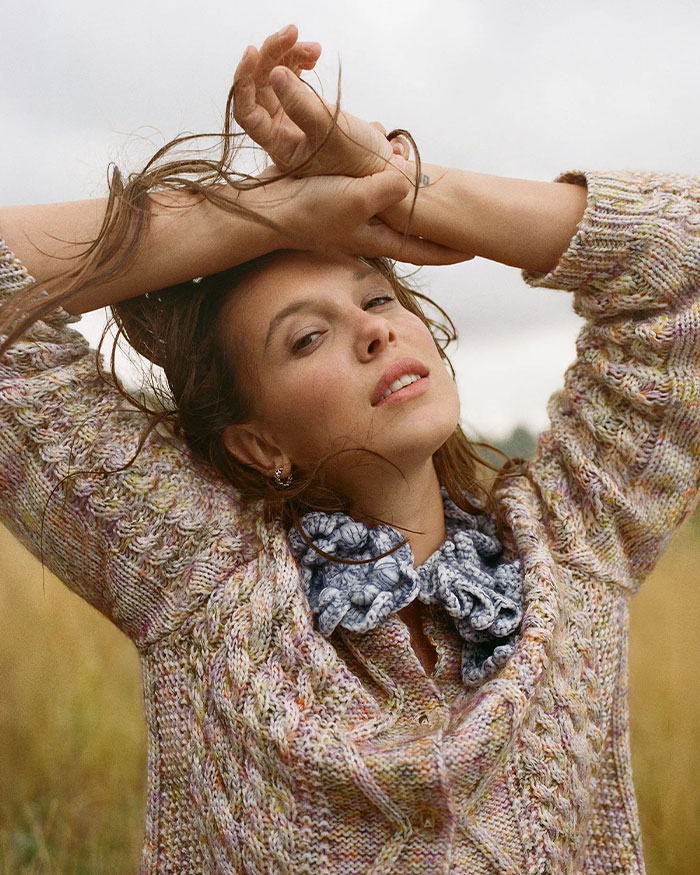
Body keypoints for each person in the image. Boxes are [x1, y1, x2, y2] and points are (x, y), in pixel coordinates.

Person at [1, 23, 698, 874]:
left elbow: (685, 259)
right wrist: (260, 216)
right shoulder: (207, 586)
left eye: (375, 294)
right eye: (305, 339)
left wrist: (401, 187)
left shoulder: (573, 544)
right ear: (258, 442)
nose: (373, 330)